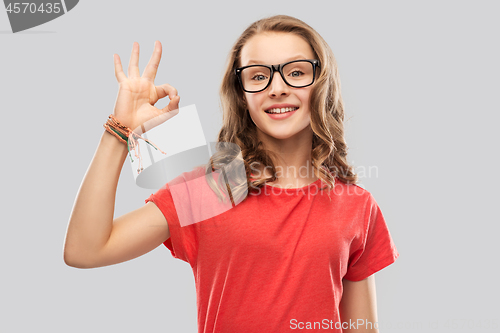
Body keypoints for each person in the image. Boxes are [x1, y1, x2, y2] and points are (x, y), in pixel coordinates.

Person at [64, 15, 399, 333]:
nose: (277, 88)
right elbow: (85, 249)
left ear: (321, 83)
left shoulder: (356, 205)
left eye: (296, 73)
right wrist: (120, 131)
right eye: (258, 75)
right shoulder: (214, 191)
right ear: (242, 94)